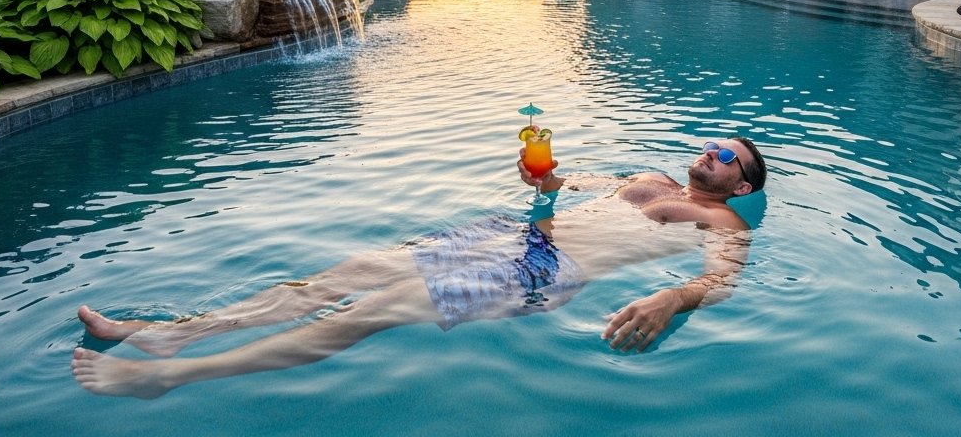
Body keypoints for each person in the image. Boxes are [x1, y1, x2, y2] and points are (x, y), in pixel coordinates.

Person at [71, 136, 768, 398]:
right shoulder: (645, 175)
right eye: (712, 143)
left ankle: (165, 377)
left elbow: (722, 278)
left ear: (741, 186)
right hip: (506, 237)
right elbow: (568, 185)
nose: (712, 151)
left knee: (357, 316)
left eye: (728, 156)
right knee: (330, 281)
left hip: (540, 273)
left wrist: (673, 298)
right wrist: (544, 178)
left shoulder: (722, 219)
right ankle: (171, 332)